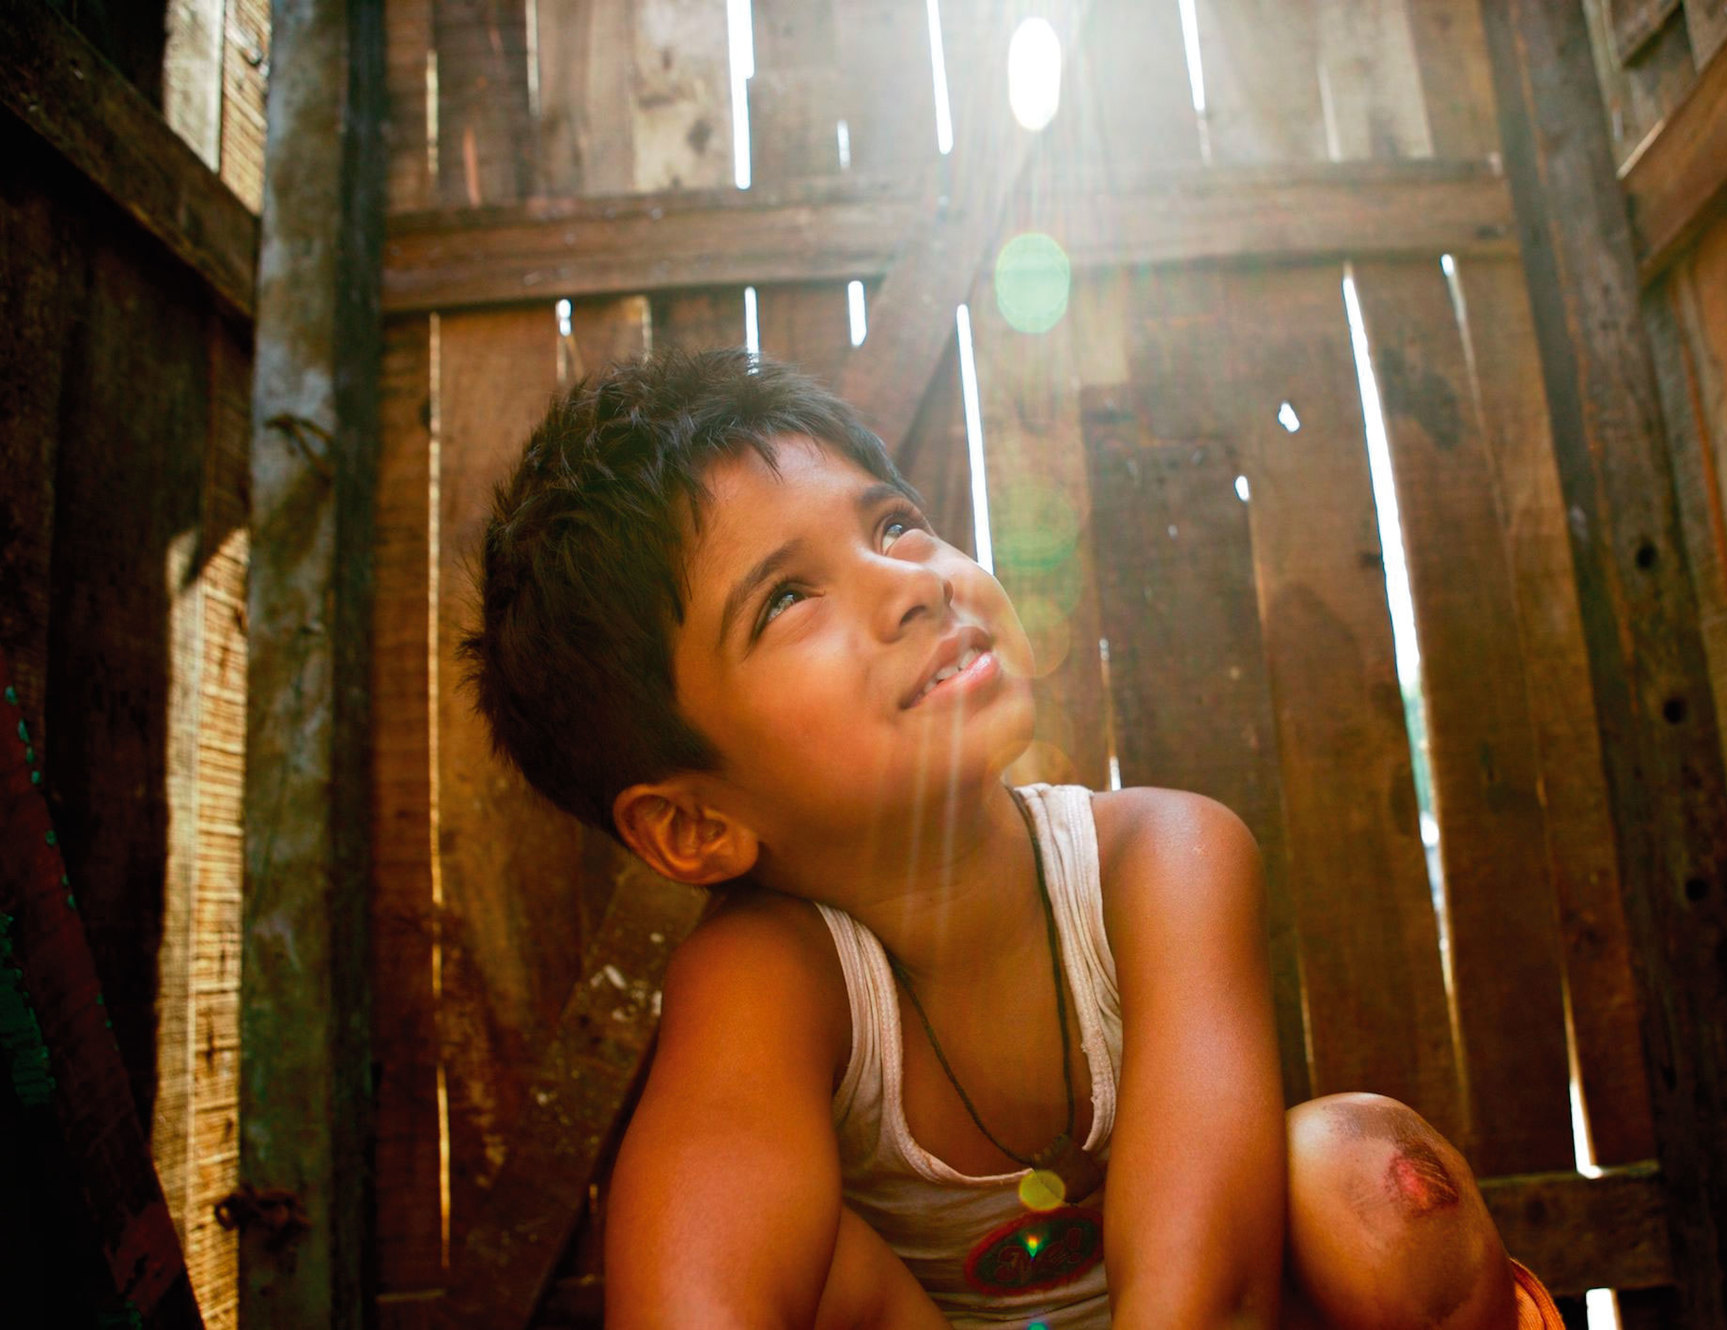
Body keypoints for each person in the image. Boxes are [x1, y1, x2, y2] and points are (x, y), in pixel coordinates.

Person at [463, 348, 1563, 1329]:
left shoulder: (1161, 858)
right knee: (815, 1266)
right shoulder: (766, 980)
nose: (910, 583)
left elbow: (1208, 1298)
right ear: (694, 823)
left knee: (1360, 1175)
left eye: (893, 522)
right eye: (788, 598)